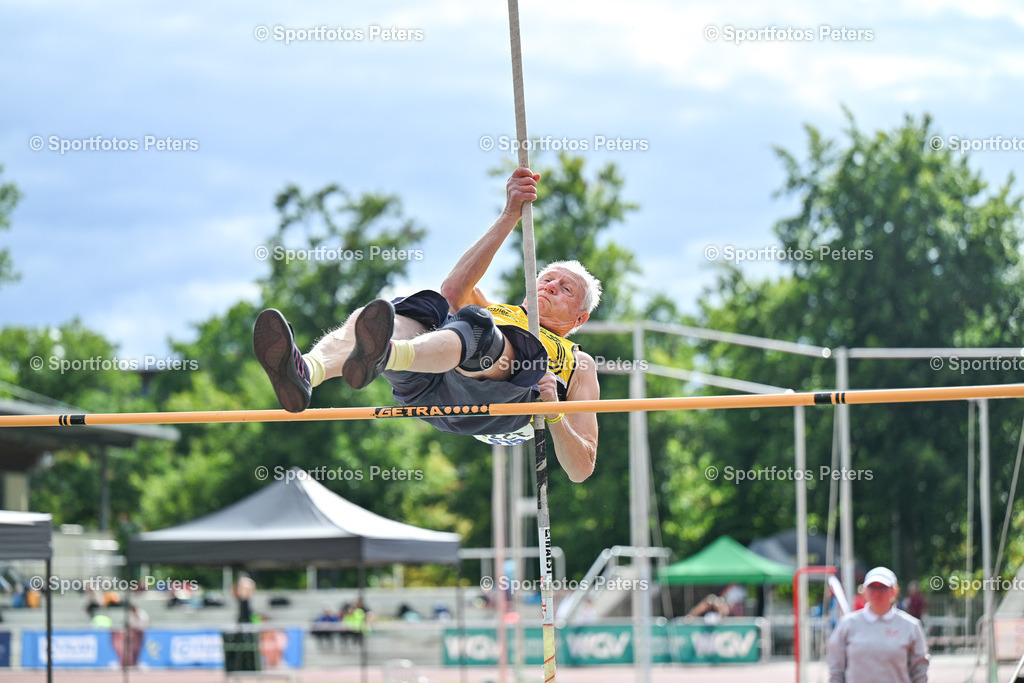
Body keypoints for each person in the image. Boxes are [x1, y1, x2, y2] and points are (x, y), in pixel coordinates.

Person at [253, 167, 601, 482]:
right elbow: (452, 290)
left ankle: (386, 355)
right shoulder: (497, 310)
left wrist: (555, 414)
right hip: (428, 382)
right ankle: (309, 370)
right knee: (400, 313)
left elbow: (581, 468)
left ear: (580, 318)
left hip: (490, 405)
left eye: (565, 288)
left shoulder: (579, 363)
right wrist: (510, 214)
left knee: (479, 326)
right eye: (546, 279)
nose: (550, 286)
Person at [827, 566, 929, 683]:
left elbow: (919, 669)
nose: (877, 592)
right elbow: (836, 669)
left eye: (883, 587)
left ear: (894, 591)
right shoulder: (847, 624)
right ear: (864, 591)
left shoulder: (911, 626)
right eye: (872, 587)